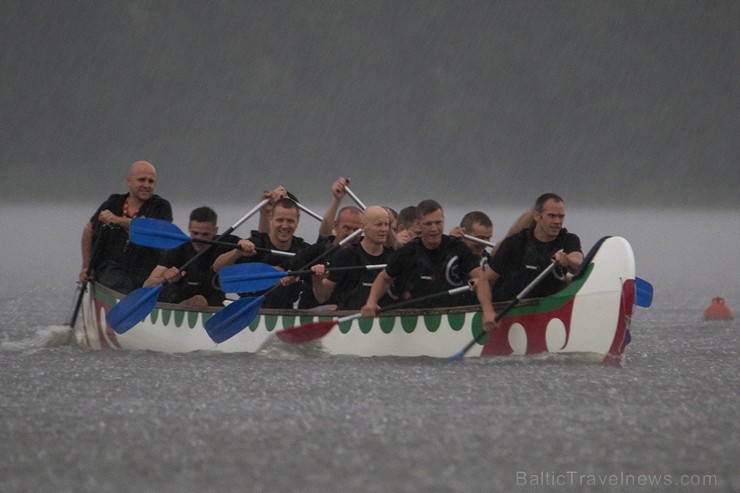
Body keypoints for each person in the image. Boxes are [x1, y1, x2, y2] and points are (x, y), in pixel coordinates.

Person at [361, 200, 495, 330]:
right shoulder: (407, 251)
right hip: (415, 320)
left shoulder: (458, 247)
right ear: (419, 224)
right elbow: (384, 278)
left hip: (453, 315)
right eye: (428, 224)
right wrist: (371, 302)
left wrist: (488, 311)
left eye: (438, 223)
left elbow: (481, 279)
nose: (434, 229)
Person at [79, 160, 172, 294]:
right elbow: (89, 229)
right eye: (141, 180)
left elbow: (148, 227)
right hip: (110, 269)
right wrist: (86, 267)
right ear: (129, 181)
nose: (146, 185)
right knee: (120, 282)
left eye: (151, 181)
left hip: (145, 272)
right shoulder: (113, 203)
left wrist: (116, 220)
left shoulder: (161, 207)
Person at [484, 193, 583, 304]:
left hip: (546, 306)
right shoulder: (515, 242)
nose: (557, 222)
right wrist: (488, 312)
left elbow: (578, 261)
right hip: (510, 307)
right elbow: (487, 280)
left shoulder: (569, 239)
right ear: (537, 216)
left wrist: (567, 260)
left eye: (561, 216)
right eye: (552, 216)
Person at [213, 197, 308, 309]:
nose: (285, 226)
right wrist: (237, 252)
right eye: (280, 220)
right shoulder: (256, 244)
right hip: (249, 309)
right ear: (271, 218)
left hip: (285, 312)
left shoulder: (303, 250)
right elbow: (217, 268)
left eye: (290, 221)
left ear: (297, 221)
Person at [142, 206, 238, 306]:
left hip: (214, 311)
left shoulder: (227, 243)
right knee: (198, 300)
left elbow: (249, 243)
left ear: (215, 230)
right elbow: (146, 286)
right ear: (189, 228)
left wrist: (240, 250)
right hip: (180, 311)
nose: (199, 239)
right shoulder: (178, 248)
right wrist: (165, 279)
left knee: (199, 300)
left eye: (205, 234)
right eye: (195, 233)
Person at [311, 205, 394, 310]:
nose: (384, 229)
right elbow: (322, 297)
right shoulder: (345, 256)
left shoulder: (392, 257)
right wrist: (317, 279)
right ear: (363, 227)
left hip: (385, 320)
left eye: (386, 225)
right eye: (378, 225)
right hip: (349, 320)